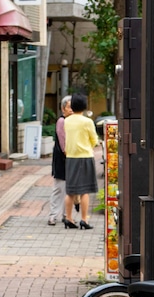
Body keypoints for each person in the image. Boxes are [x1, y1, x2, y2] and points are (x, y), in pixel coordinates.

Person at [63, 93, 99, 230]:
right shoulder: (87, 122)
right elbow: (94, 140)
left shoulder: (67, 121)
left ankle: (69, 218)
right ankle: (84, 219)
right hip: (85, 157)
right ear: (84, 106)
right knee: (85, 191)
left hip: (71, 157)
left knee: (70, 191)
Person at [49, 95, 71, 226]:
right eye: (69, 107)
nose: (71, 109)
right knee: (59, 188)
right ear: (63, 109)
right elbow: (63, 143)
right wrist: (68, 155)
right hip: (62, 158)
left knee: (69, 189)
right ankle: (53, 215)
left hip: (70, 158)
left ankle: (66, 215)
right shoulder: (62, 121)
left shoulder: (73, 121)